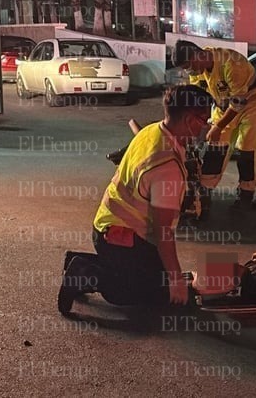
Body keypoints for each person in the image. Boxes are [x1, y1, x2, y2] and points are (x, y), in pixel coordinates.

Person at [57, 85, 214, 315]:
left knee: (160, 282)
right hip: (121, 239)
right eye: (204, 120)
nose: (206, 127)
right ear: (189, 119)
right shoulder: (167, 166)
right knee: (145, 294)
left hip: (108, 227)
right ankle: (85, 273)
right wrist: (176, 279)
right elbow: (163, 232)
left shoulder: (152, 131)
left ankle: (82, 261)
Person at [172, 39, 256, 210]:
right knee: (215, 148)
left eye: (188, 66)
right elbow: (197, 97)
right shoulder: (198, 71)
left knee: (247, 150)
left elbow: (238, 102)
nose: (189, 71)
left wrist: (218, 126)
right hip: (223, 105)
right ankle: (204, 193)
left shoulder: (231, 64)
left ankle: (246, 193)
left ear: (198, 55)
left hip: (251, 103)